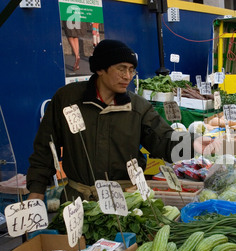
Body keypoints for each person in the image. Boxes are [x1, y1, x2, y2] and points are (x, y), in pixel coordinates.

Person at [26, 39, 218, 202]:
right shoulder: (67, 99)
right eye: (121, 69)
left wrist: (192, 143)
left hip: (125, 199)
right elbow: (45, 148)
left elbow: (163, 141)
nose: (127, 76)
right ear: (101, 69)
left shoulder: (137, 107)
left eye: (131, 70)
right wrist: (36, 193)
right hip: (77, 200)